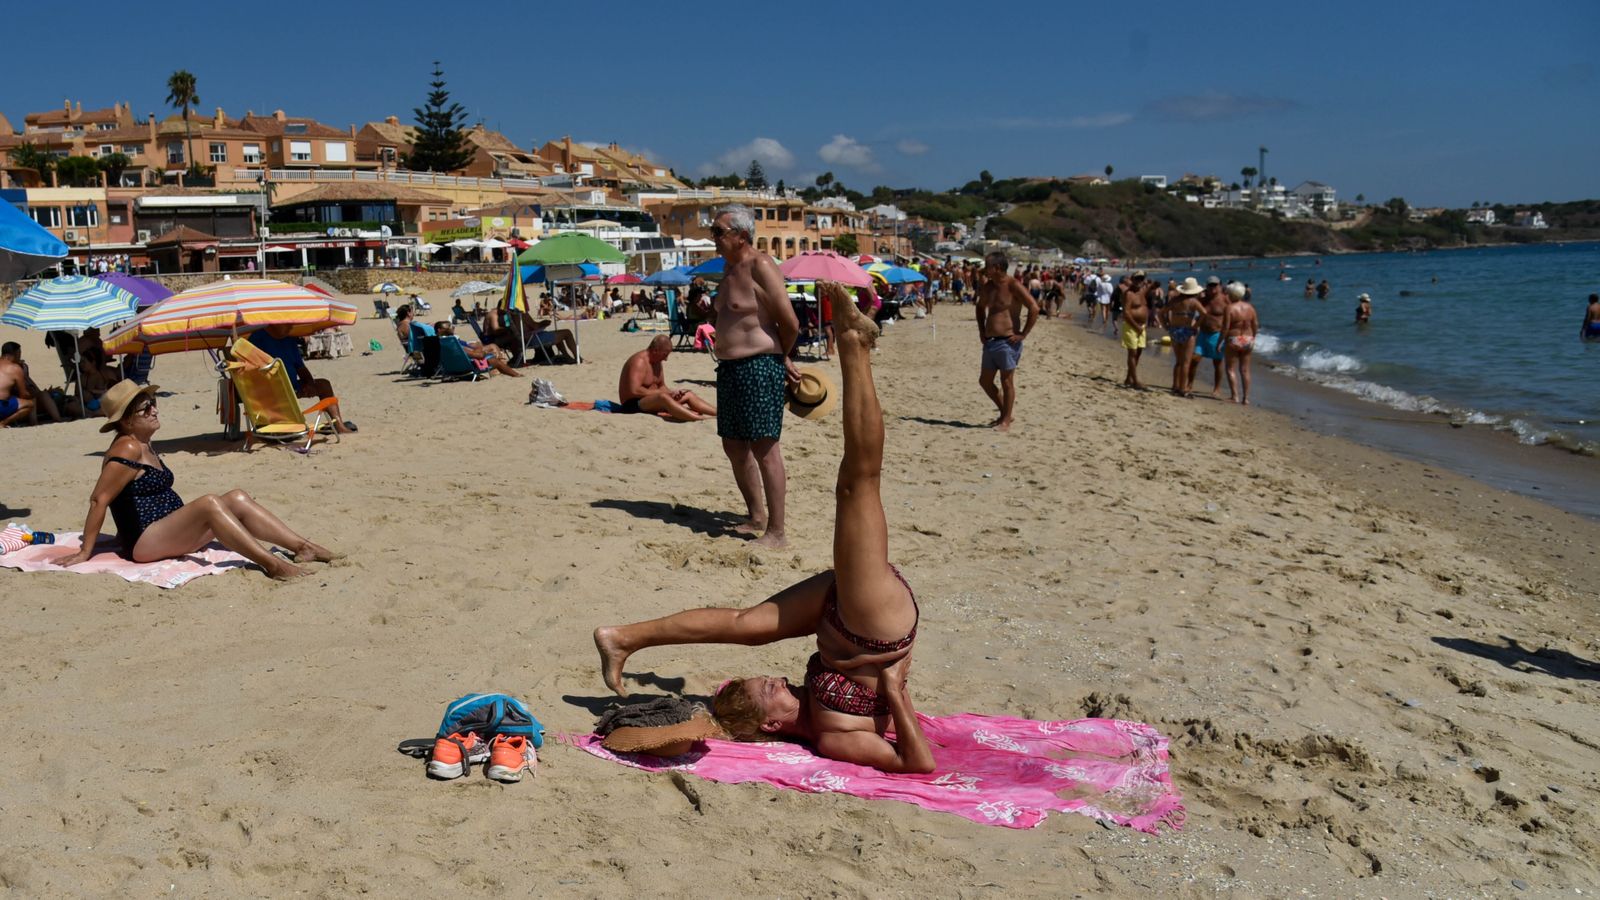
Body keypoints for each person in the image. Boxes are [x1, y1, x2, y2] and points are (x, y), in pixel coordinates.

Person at [593, 287, 934, 774]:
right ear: (773, 726)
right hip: (873, 630)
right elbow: (918, 765)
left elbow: (712, 714)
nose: (777, 679)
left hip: (840, 621)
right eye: (770, 689)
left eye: (769, 681)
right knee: (858, 484)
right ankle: (855, 348)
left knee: (742, 625)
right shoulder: (837, 738)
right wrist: (897, 697)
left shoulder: (804, 709)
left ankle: (622, 638)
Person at [52, 380, 339, 580]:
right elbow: (99, 499)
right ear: (126, 421)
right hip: (145, 542)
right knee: (209, 503)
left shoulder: (143, 443)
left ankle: (304, 547)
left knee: (236, 497)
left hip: (166, 531)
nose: (154, 409)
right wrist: (85, 551)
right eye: (145, 409)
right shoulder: (126, 446)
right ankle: (273, 565)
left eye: (152, 403)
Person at [710, 204, 800, 548]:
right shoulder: (728, 270)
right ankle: (756, 515)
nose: (713, 239)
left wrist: (783, 356)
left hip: (759, 365)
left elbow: (789, 321)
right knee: (733, 445)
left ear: (742, 236)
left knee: (765, 447)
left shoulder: (760, 264)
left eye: (718, 232)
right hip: (731, 368)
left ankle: (777, 532)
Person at [975, 251, 1040, 432]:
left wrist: (1023, 334)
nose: (985, 269)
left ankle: (1005, 421)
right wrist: (981, 330)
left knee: (1007, 381)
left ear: (996, 267)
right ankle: (1006, 413)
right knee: (985, 381)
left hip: (1008, 341)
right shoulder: (988, 287)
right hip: (990, 341)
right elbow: (980, 308)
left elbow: (1034, 308)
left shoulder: (1013, 285)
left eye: (987, 266)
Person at [248, 324, 355, 433]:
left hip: (291, 388)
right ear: (276, 323)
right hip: (268, 391)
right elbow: (250, 369)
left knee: (324, 385)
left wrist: (309, 383)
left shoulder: (288, 340)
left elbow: (300, 367)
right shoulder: (257, 339)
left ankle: (339, 426)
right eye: (288, 324)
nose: (291, 327)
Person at [618, 335, 717, 421]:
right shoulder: (639, 362)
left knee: (687, 394)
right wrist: (663, 393)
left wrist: (673, 392)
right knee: (663, 397)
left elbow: (661, 386)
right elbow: (634, 391)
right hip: (633, 404)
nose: (666, 359)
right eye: (665, 355)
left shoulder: (657, 361)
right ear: (656, 350)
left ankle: (719, 413)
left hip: (654, 400)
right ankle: (700, 419)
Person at [1165, 277, 1205, 398]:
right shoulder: (1193, 301)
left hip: (1175, 330)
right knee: (1186, 363)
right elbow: (1204, 314)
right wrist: (1196, 326)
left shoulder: (1175, 301)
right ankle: (1183, 389)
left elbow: (1161, 313)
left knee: (1178, 361)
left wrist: (1166, 326)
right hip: (1187, 330)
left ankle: (1175, 386)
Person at [1222, 283, 1260, 404]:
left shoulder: (1230, 308)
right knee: (1245, 370)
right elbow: (1255, 325)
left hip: (1234, 339)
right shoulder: (1250, 307)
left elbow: (1225, 328)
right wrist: (1253, 337)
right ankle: (1246, 398)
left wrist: (1220, 341)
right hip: (1247, 340)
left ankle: (1235, 396)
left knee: (1230, 368)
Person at [437, 322, 521, 377]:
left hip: (451, 367)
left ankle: (502, 371)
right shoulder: (453, 343)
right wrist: (482, 350)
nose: (453, 327)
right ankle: (516, 375)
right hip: (463, 368)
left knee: (491, 348)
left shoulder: (442, 342)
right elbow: (479, 356)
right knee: (493, 360)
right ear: (439, 330)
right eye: (449, 326)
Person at [1191, 277, 1228, 398]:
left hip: (1217, 334)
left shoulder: (1225, 300)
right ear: (1206, 286)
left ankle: (1217, 388)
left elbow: (1232, 316)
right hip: (1202, 334)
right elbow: (1192, 311)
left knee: (1217, 363)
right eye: (1210, 285)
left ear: (1220, 286)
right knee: (1194, 359)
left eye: (1215, 285)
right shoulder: (1202, 300)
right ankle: (1189, 384)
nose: (1212, 288)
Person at [1119, 273, 1154, 390]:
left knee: (1138, 353)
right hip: (1131, 326)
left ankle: (1129, 378)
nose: (1139, 281)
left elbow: (1150, 287)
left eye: (1141, 279)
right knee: (1132, 353)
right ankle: (1135, 381)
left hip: (1141, 326)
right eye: (1137, 279)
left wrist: (1154, 284)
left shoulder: (1142, 291)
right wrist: (1136, 326)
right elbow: (1126, 313)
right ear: (1132, 279)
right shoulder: (1129, 294)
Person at [0, 342, 38, 427]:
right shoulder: (15, 368)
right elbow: (23, 394)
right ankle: (3, 423)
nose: (20, 356)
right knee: (29, 404)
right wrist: (34, 394)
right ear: (14, 354)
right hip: (1, 406)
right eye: (19, 353)